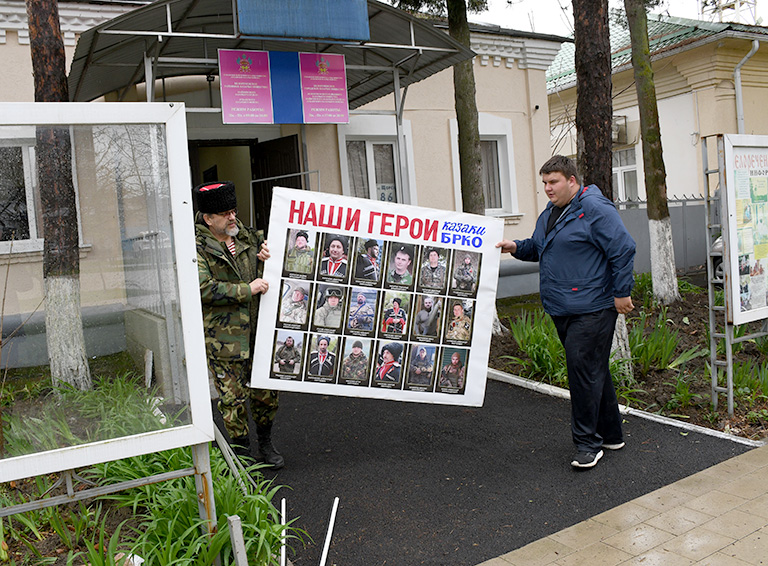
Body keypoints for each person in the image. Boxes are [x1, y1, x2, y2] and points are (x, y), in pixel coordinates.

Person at [497, 155, 636, 470]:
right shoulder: (552, 211)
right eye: (544, 182)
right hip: (563, 306)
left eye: (553, 182)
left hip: (593, 307)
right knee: (592, 368)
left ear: (572, 181)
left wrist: (621, 292)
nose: (547, 188)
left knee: (581, 373)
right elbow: (539, 246)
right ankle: (612, 434)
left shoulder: (595, 210)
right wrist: (516, 247)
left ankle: (588, 445)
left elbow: (623, 248)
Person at [194, 181, 283, 469]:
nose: (233, 218)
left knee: (266, 395)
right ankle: (242, 455)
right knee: (232, 401)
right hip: (223, 340)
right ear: (208, 218)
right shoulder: (196, 247)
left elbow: (268, 276)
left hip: (259, 332)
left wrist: (268, 258)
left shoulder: (248, 238)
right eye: (225, 214)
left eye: (233, 211)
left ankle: (266, 443)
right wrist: (248, 289)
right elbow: (203, 288)